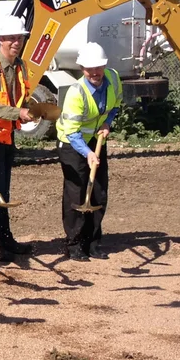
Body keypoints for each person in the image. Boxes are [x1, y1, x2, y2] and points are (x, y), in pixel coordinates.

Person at [0, 16, 36, 262]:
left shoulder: (20, 66)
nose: (16, 42)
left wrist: (32, 109)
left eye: (19, 38)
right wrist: (18, 113)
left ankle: (4, 238)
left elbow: (20, 97)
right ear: (1, 40)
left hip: (7, 137)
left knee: (3, 192)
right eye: (12, 38)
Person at [57, 42, 122, 261]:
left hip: (96, 139)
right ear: (82, 69)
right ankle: (74, 245)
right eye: (88, 68)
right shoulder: (76, 93)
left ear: (105, 65)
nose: (94, 72)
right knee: (76, 193)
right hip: (72, 144)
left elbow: (115, 105)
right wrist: (88, 153)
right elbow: (72, 132)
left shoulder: (113, 78)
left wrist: (108, 123)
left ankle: (93, 243)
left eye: (98, 67)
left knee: (99, 191)